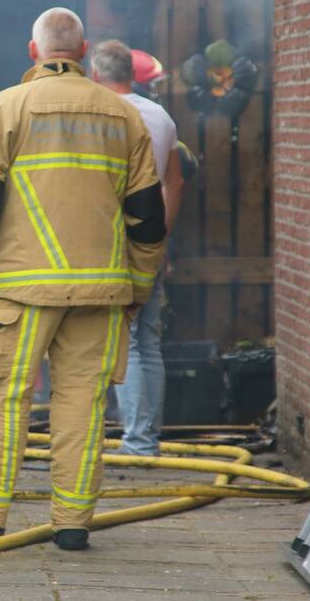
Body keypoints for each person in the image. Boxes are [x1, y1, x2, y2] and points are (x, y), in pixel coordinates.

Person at [0, 8, 167, 551]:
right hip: (102, 292)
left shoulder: (8, 107)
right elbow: (148, 217)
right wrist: (140, 287)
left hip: (22, 290)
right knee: (83, 406)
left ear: (33, 53)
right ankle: (74, 524)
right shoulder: (122, 116)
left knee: (4, 402)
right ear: (82, 53)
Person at [93, 43, 185, 457]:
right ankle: (146, 437)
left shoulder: (98, 115)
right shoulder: (161, 117)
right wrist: (159, 237)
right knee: (147, 339)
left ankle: (138, 443)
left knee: (124, 341)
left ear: (96, 75)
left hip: (109, 244)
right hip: (150, 241)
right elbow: (175, 182)